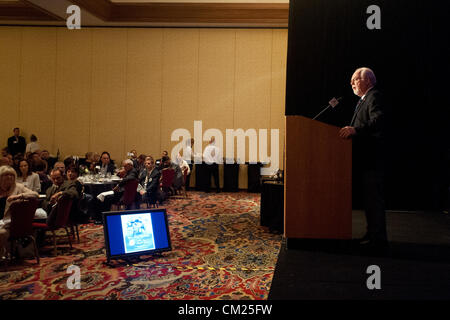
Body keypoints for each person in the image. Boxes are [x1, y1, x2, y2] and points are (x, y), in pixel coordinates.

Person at [339, 67, 389, 252]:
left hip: (373, 160)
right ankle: (372, 234)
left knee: (374, 200)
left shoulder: (374, 96)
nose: (351, 83)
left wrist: (356, 130)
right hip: (365, 160)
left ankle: (378, 240)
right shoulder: (362, 100)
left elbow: (379, 120)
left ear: (367, 80)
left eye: (355, 80)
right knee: (369, 201)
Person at [0, 166, 39, 260]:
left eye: (12, 175)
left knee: (1, 233)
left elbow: (35, 194)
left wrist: (18, 196)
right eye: (6, 175)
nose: (9, 177)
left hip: (10, 224)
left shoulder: (18, 187)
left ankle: (2, 256)